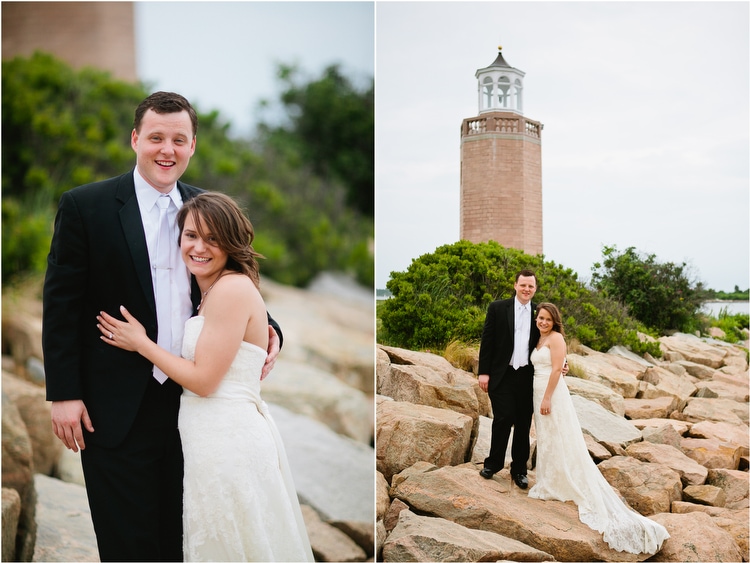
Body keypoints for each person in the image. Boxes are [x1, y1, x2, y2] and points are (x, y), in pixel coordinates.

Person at [42, 91, 282, 562]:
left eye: (178, 139)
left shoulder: (208, 207)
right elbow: (61, 303)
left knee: (184, 539)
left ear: (193, 146)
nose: (166, 150)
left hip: (193, 408)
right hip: (111, 405)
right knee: (126, 542)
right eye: (155, 138)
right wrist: (63, 393)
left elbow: (239, 281)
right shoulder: (85, 207)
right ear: (135, 140)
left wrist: (271, 330)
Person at [96, 192, 314, 561]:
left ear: (232, 244)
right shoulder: (213, 288)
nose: (200, 247)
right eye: (192, 236)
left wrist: (141, 343)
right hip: (209, 439)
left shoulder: (229, 290)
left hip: (228, 442)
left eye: (214, 239)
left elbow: (203, 381)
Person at [528, 302, 670, 555]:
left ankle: (562, 482)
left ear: (555, 320)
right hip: (537, 389)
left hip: (550, 393)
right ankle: (550, 479)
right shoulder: (540, 338)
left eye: (548, 319)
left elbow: (557, 369)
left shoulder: (557, 338)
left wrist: (547, 397)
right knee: (548, 437)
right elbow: (555, 364)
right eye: (540, 317)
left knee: (559, 436)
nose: (543, 322)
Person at [477, 269, 540, 488]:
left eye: (531, 286)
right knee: (503, 418)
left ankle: (520, 470)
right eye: (523, 285)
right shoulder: (497, 308)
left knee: (523, 423)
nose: (526, 289)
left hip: (527, 376)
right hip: (502, 374)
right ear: (515, 285)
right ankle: (493, 464)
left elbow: (554, 336)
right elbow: (488, 340)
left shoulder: (539, 312)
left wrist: (564, 362)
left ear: (535, 288)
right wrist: (483, 372)